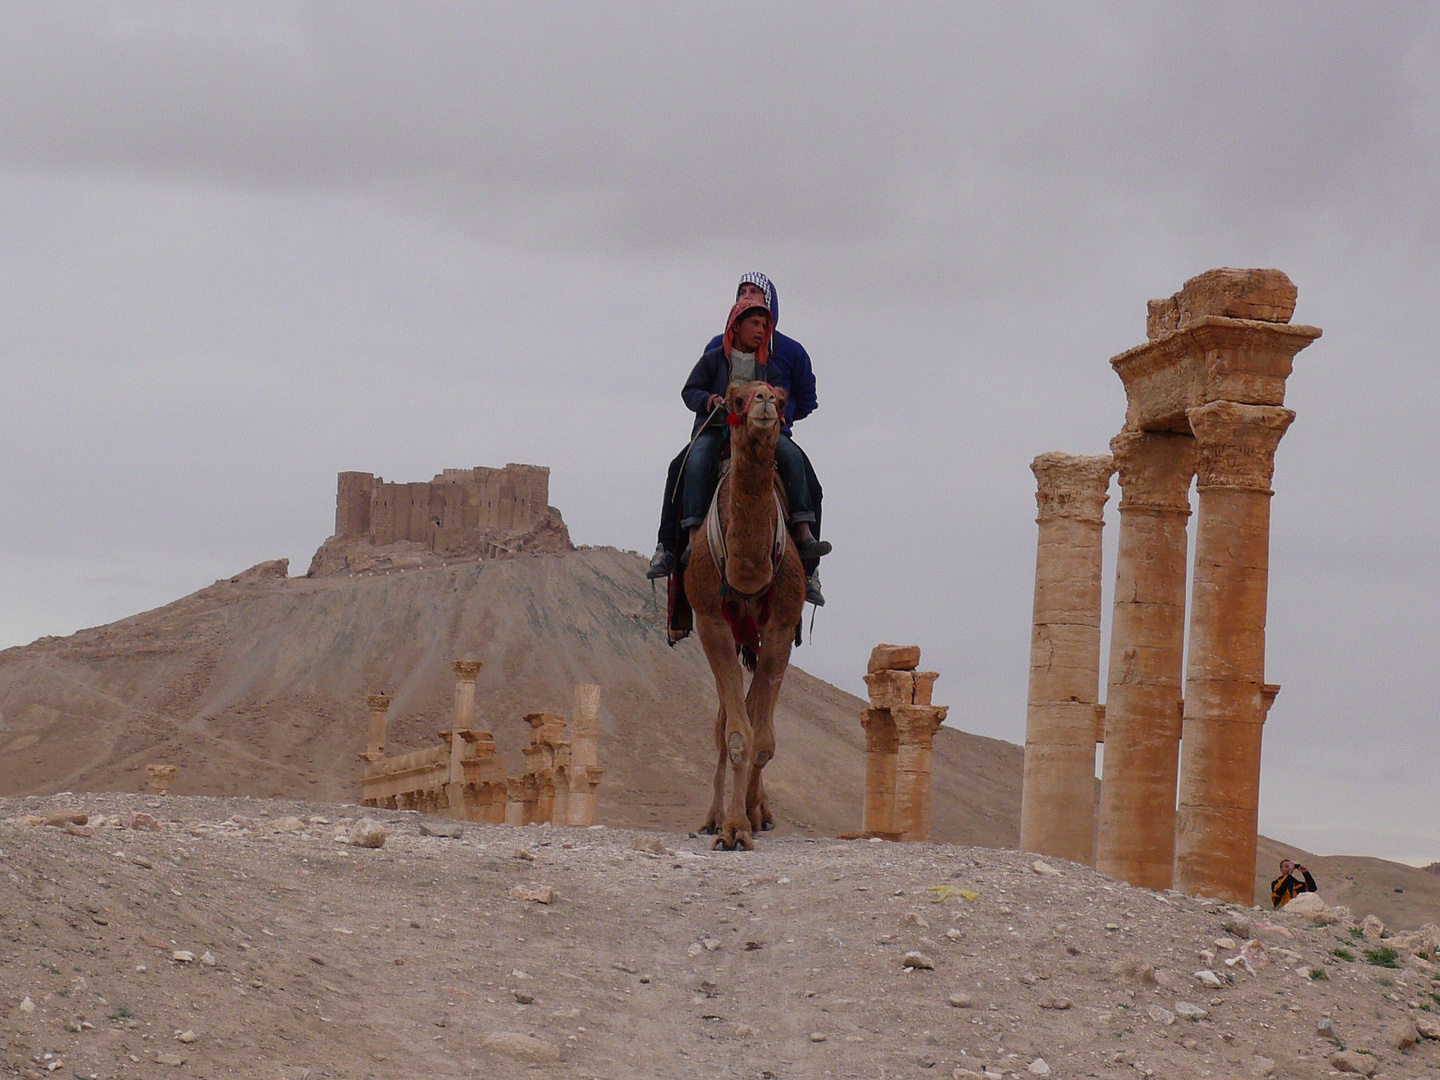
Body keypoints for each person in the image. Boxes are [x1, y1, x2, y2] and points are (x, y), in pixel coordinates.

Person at [649, 272, 829, 604]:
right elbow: (691, 389)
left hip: (768, 433)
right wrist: (710, 402)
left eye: (756, 294)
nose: (748, 298)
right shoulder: (715, 351)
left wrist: (780, 415)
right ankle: (674, 545)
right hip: (718, 429)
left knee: (802, 471)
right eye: (742, 293)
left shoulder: (780, 356)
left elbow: (800, 396)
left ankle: (807, 556)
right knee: (686, 463)